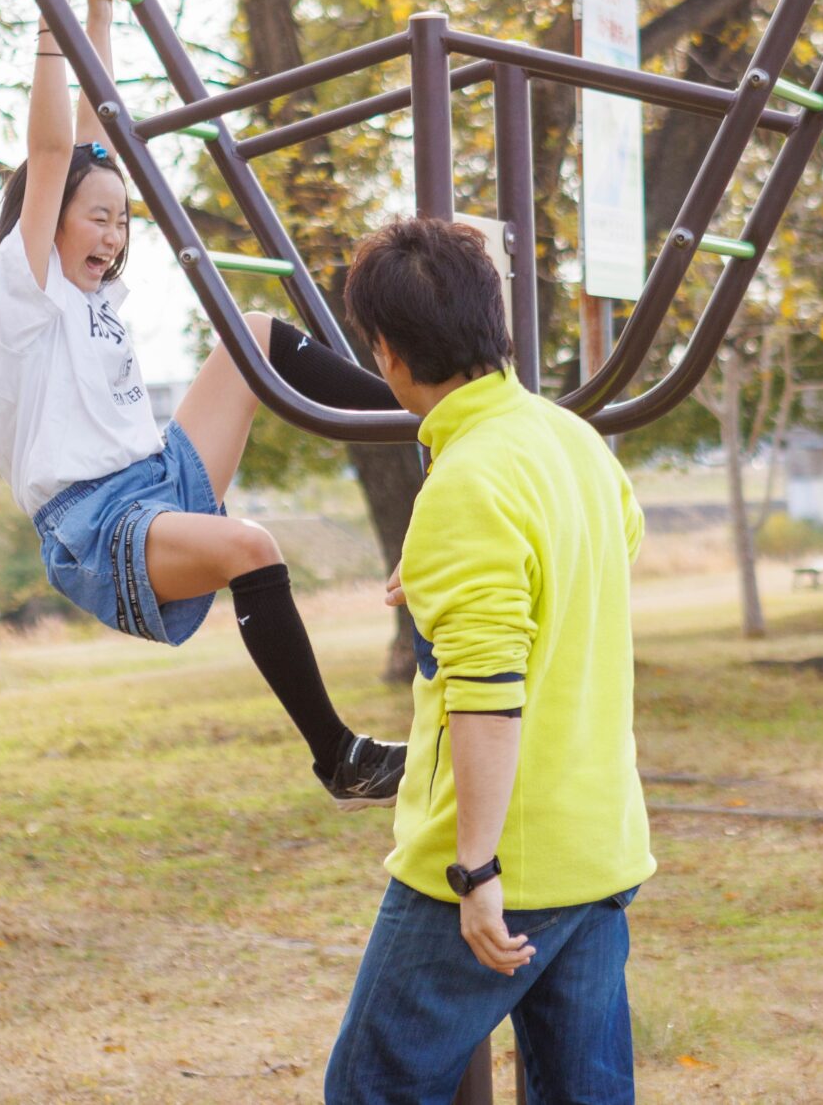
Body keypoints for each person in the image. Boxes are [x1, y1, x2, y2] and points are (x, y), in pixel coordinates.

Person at [0, 0, 406, 808]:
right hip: (97, 523)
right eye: (98, 219)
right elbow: (54, 147)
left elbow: (93, 137)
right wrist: (51, 26)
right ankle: (338, 758)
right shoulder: (22, 294)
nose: (114, 237)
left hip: (157, 475)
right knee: (251, 546)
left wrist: (97, 15)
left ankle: (427, 415)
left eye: (122, 222)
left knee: (258, 335)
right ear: (43, 221)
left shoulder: (91, 289)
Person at [324, 217, 654, 1104]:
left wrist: (475, 872)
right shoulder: (573, 441)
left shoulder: (467, 480)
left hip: (501, 862)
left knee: (370, 1090)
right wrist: (446, 570)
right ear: (494, 327)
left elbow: (486, 696)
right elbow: (604, 551)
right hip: (599, 844)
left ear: (388, 353)